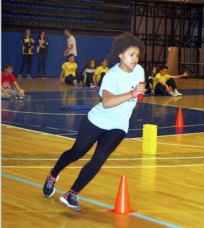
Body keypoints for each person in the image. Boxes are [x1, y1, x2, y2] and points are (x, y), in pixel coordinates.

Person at [42, 32, 146, 210]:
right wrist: (132, 94)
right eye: (131, 55)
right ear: (120, 54)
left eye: (137, 55)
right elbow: (106, 103)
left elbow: (138, 95)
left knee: (98, 160)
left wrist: (136, 96)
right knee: (77, 153)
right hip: (97, 121)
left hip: (118, 126)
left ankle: (71, 194)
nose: (135, 59)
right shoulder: (112, 75)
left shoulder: (140, 70)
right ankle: (53, 175)